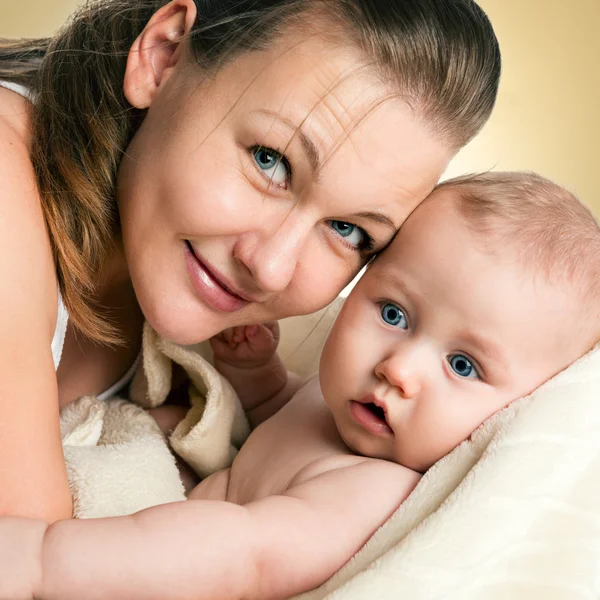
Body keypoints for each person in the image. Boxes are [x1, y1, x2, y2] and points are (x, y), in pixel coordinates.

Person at [0, 0, 500, 522]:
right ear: (163, 57)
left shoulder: (180, 319)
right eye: (271, 161)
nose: (272, 268)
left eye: (348, 230)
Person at [3, 171, 599, 600]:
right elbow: (276, 418)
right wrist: (257, 377)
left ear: (519, 409)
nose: (399, 368)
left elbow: (246, 557)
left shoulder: (370, 494)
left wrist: (40, 563)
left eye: (463, 366)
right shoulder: (344, 405)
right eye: (393, 313)